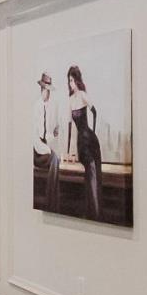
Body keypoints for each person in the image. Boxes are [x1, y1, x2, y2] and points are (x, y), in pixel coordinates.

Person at [65, 65, 103, 219]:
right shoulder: (70, 100)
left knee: (92, 172)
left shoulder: (82, 95)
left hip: (90, 140)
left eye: (72, 80)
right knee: (88, 172)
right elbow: (70, 128)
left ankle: (95, 211)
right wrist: (69, 151)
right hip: (81, 143)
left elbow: (95, 111)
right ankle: (91, 211)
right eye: (69, 81)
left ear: (77, 80)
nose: (70, 83)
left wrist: (92, 131)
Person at [33, 72, 61, 211]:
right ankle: (51, 201)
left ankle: (52, 200)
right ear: (42, 89)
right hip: (37, 151)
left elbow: (51, 132)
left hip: (46, 148)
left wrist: (55, 132)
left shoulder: (52, 107)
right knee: (55, 159)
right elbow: (35, 138)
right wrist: (48, 150)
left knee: (56, 159)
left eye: (49, 91)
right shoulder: (36, 107)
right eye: (46, 90)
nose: (48, 93)